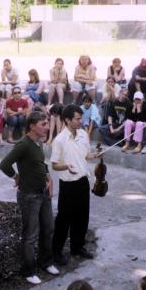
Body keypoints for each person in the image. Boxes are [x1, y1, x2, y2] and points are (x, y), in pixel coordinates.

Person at [0, 111, 59, 285]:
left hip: (43, 193)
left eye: (47, 123)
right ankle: (29, 270)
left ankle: (45, 262)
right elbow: (4, 164)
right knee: (30, 235)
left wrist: (48, 176)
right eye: (43, 124)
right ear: (32, 126)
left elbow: (40, 163)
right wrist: (16, 177)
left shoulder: (38, 143)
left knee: (48, 228)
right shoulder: (23, 144)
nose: (47, 127)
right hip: (29, 196)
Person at [51, 104, 102, 265]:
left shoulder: (83, 135)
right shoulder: (59, 140)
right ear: (67, 120)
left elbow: (85, 155)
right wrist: (66, 166)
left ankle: (77, 247)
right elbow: (54, 165)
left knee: (82, 216)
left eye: (81, 118)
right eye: (78, 119)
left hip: (82, 181)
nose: (81, 121)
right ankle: (56, 252)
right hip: (67, 184)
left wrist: (95, 155)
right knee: (64, 219)